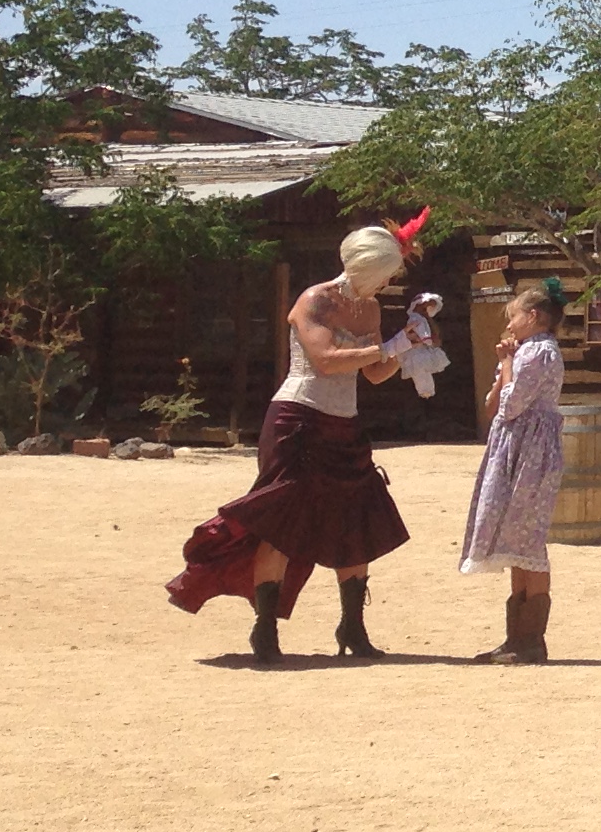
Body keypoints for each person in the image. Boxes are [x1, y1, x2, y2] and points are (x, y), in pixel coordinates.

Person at [166, 223, 420, 662]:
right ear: (367, 268)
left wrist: (408, 347)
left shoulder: (371, 308)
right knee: (282, 521)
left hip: (344, 423)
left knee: (355, 519)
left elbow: (374, 374)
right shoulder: (315, 300)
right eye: (385, 274)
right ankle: (264, 629)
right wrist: (388, 347)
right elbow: (325, 361)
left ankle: (353, 627)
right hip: (297, 420)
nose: (388, 282)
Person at [460, 282, 569, 662]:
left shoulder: (539, 352)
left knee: (529, 539)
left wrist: (507, 364)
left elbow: (511, 406)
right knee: (515, 538)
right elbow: (493, 403)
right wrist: (504, 366)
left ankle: (532, 640)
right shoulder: (525, 351)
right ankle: (516, 638)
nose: (509, 325)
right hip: (515, 448)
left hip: (531, 453)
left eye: (514, 317)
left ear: (533, 316)